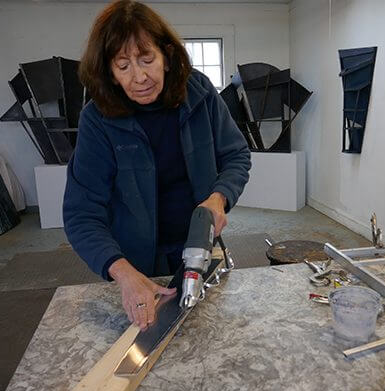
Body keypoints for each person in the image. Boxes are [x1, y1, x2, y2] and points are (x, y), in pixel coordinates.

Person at [63, 0, 251, 331]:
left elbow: (236, 155)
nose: (139, 77)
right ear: (110, 72)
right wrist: (122, 272)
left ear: (166, 55)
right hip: (137, 267)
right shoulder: (97, 120)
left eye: (147, 59)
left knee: (208, 339)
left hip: (200, 249)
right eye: (123, 67)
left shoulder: (200, 92)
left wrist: (219, 197)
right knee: (145, 351)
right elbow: (81, 215)